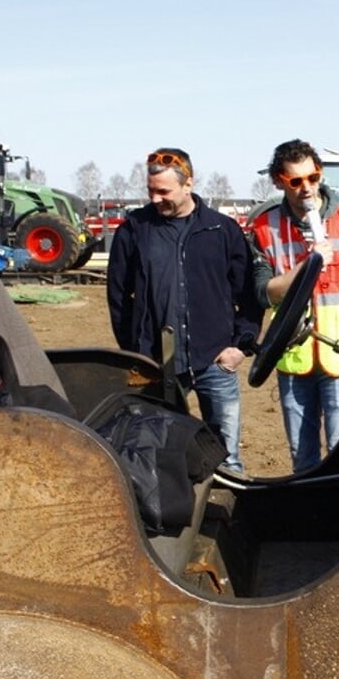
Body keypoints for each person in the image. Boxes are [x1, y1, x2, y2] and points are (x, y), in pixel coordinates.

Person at [106, 148, 260, 474]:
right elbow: (118, 297)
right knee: (157, 454)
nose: (156, 198)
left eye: (164, 191)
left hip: (215, 361)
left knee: (226, 456)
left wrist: (241, 345)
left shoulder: (221, 230)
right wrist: (134, 353)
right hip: (155, 365)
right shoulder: (135, 230)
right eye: (151, 191)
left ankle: (228, 517)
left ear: (187, 184)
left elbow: (247, 295)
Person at [250, 140, 339, 473]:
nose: (307, 188)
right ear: (277, 181)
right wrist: (308, 264)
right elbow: (264, 292)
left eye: (313, 177)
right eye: (295, 181)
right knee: (303, 458)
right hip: (294, 359)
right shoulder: (263, 228)